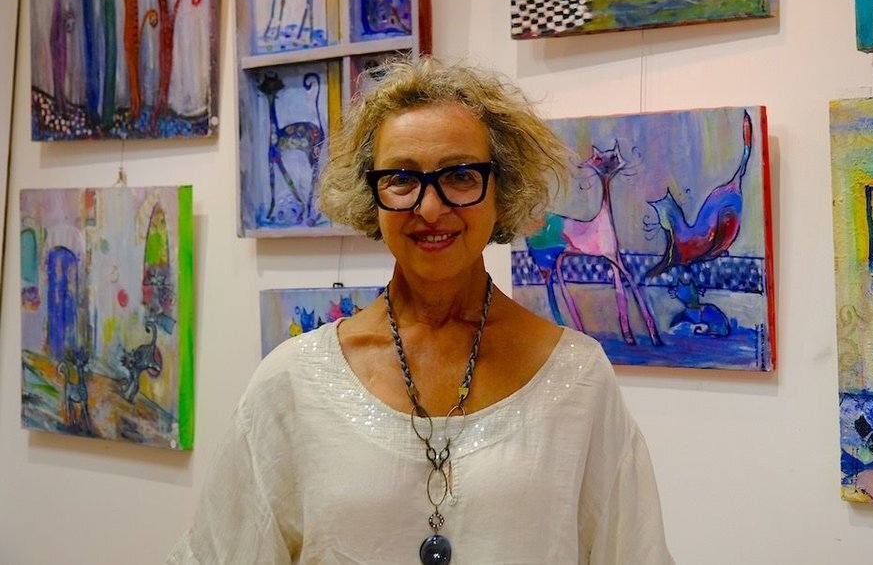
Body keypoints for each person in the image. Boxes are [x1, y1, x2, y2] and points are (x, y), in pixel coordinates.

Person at [168, 57, 673, 564]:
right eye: (402, 178)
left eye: (461, 176)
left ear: (502, 189)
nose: (430, 208)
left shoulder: (577, 381)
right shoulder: (295, 382)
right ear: (371, 193)